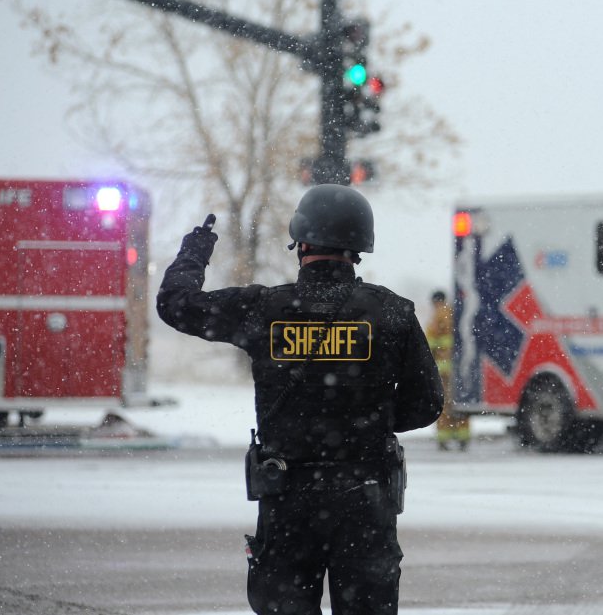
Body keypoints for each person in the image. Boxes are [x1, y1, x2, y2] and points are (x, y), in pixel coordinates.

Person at [156, 184, 443, 615]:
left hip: (288, 499)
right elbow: (427, 403)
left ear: (301, 241)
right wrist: (368, 422)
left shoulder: (264, 308)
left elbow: (176, 305)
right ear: (360, 246)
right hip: (365, 500)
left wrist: (194, 252)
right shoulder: (393, 312)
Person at [426, 290, 470, 450]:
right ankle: (463, 437)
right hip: (459, 367)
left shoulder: (437, 315)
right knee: (459, 402)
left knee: (444, 404)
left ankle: (444, 438)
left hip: (443, 368)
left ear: (435, 301)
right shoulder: (456, 313)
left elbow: (429, 343)